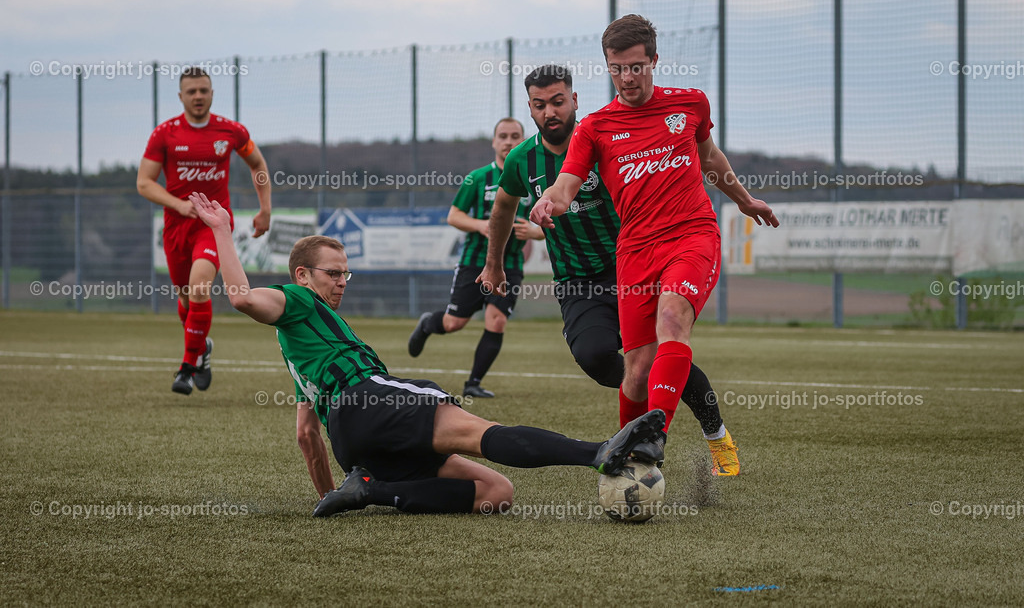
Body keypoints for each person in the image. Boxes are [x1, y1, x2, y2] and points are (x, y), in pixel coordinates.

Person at [188, 191, 665, 517]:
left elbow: (306, 436)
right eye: (332, 273)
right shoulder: (296, 301)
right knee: (482, 431)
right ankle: (598, 452)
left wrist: (330, 496)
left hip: (356, 443)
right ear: (302, 276)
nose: (340, 282)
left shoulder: (302, 352)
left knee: (496, 494)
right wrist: (222, 232)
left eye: (345, 274)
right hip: (370, 402)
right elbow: (243, 297)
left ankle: (374, 490)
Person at [530, 16, 779, 471]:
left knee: (672, 318)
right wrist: (549, 201)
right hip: (636, 250)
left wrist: (744, 200)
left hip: (692, 235)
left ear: (654, 62)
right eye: (616, 68)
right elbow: (567, 185)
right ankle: (633, 463)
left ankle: (651, 440)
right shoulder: (596, 128)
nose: (626, 78)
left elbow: (709, 157)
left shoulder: (690, 104)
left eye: (635, 67)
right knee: (638, 369)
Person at [479, 64, 733, 474]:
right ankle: (654, 397)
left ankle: (714, 431)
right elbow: (503, 209)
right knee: (597, 356)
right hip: (578, 280)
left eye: (558, 102)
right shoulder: (522, 161)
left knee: (667, 336)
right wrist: (494, 265)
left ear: (574, 101)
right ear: (530, 109)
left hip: (630, 265)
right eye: (540, 105)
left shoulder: (606, 139)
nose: (551, 113)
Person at [137, 66, 272, 395]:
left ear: (212, 94)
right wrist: (178, 205)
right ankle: (202, 348)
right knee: (186, 298)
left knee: (200, 287)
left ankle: (186, 368)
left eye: (204, 90)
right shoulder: (164, 134)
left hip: (214, 225)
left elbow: (257, 165)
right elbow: (144, 183)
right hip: (176, 227)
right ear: (181, 96)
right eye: (192, 91)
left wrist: (265, 208)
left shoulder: (231, 131)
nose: (198, 96)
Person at [407, 117, 543, 399]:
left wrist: (534, 231)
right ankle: (427, 323)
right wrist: (483, 225)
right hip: (474, 262)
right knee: (454, 323)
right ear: (494, 142)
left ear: (524, 141)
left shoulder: (535, 177)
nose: (508, 141)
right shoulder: (477, 178)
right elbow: (454, 216)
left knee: (497, 320)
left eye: (515, 136)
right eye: (503, 136)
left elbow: (549, 225)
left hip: (512, 265)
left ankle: (473, 383)